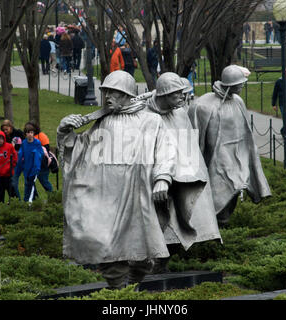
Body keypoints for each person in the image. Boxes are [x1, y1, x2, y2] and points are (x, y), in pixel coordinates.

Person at [57, 70, 176, 289]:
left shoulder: (151, 120)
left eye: (114, 92)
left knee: (143, 253)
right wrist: (65, 132)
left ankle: (131, 287)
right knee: (110, 251)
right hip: (106, 195)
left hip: (138, 194)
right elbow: (79, 150)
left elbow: (166, 150)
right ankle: (118, 291)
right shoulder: (102, 121)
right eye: (106, 92)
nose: (108, 96)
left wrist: (163, 178)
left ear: (127, 94)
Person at [145, 72, 222, 272]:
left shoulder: (179, 113)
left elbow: (188, 147)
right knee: (155, 221)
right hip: (152, 180)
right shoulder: (145, 116)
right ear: (162, 95)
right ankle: (149, 261)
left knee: (174, 219)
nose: (182, 98)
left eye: (182, 94)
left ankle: (164, 260)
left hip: (180, 178)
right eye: (176, 95)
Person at [188, 65, 271, 226]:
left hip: (238, 155)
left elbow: (245, 131)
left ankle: (224, 221)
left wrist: (249, 155)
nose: (242, 86)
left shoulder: (238, 101)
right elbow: (194, 138)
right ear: (230, 84)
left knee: (236, 187)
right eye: (239, 83)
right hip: (218, 158)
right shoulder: (204, 106)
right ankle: (217, 222)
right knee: (222, 188)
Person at [15, 122, 44, 203]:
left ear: (33, 133)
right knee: (28, 184)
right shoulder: (24, 143)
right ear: (25, 134)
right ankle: (37, 200)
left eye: (31, 132)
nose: (30, 134)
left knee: (30, 185)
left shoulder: (37, 143)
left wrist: (36, 153)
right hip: (26, 169)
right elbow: (21, 154)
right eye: (28, 132)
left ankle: (28, 202)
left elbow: (41, 154)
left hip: (34, 168)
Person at [0, 131, 18, 206]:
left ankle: (14, 203)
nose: (0, 140)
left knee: (11, 189)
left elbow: (15, 156)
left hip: (8, 173)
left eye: (1, 139)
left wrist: (12, 165)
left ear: (4, 139)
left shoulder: (9, 146)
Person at [1, 120, 25, 200]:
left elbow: (25, 142)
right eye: (3, 130)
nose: (5, 131)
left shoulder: (18, 133)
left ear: (10, 127)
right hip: (13, 162)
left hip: (23, 159)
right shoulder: (4, 138)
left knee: (29, 181)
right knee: (13, 182)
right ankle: (18, 201)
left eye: (6, 129)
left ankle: (34, 199)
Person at [29, 121, 54, 193]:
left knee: (43, 180)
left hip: (42, 163)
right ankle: (34, 198)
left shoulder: (41, 136)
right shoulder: (29, 137)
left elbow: (47, 148)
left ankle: (52, 195)